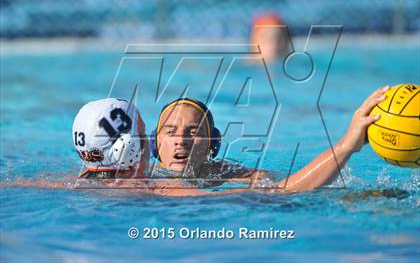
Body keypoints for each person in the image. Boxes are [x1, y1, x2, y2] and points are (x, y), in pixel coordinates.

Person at [2, 86, 390, 196]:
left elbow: (289, 186)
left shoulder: (236, 173)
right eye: (169, 132)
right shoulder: (155, 184)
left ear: (213, 142)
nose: (181, 141)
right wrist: (348, 144)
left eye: (192, 132)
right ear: (152, 145)